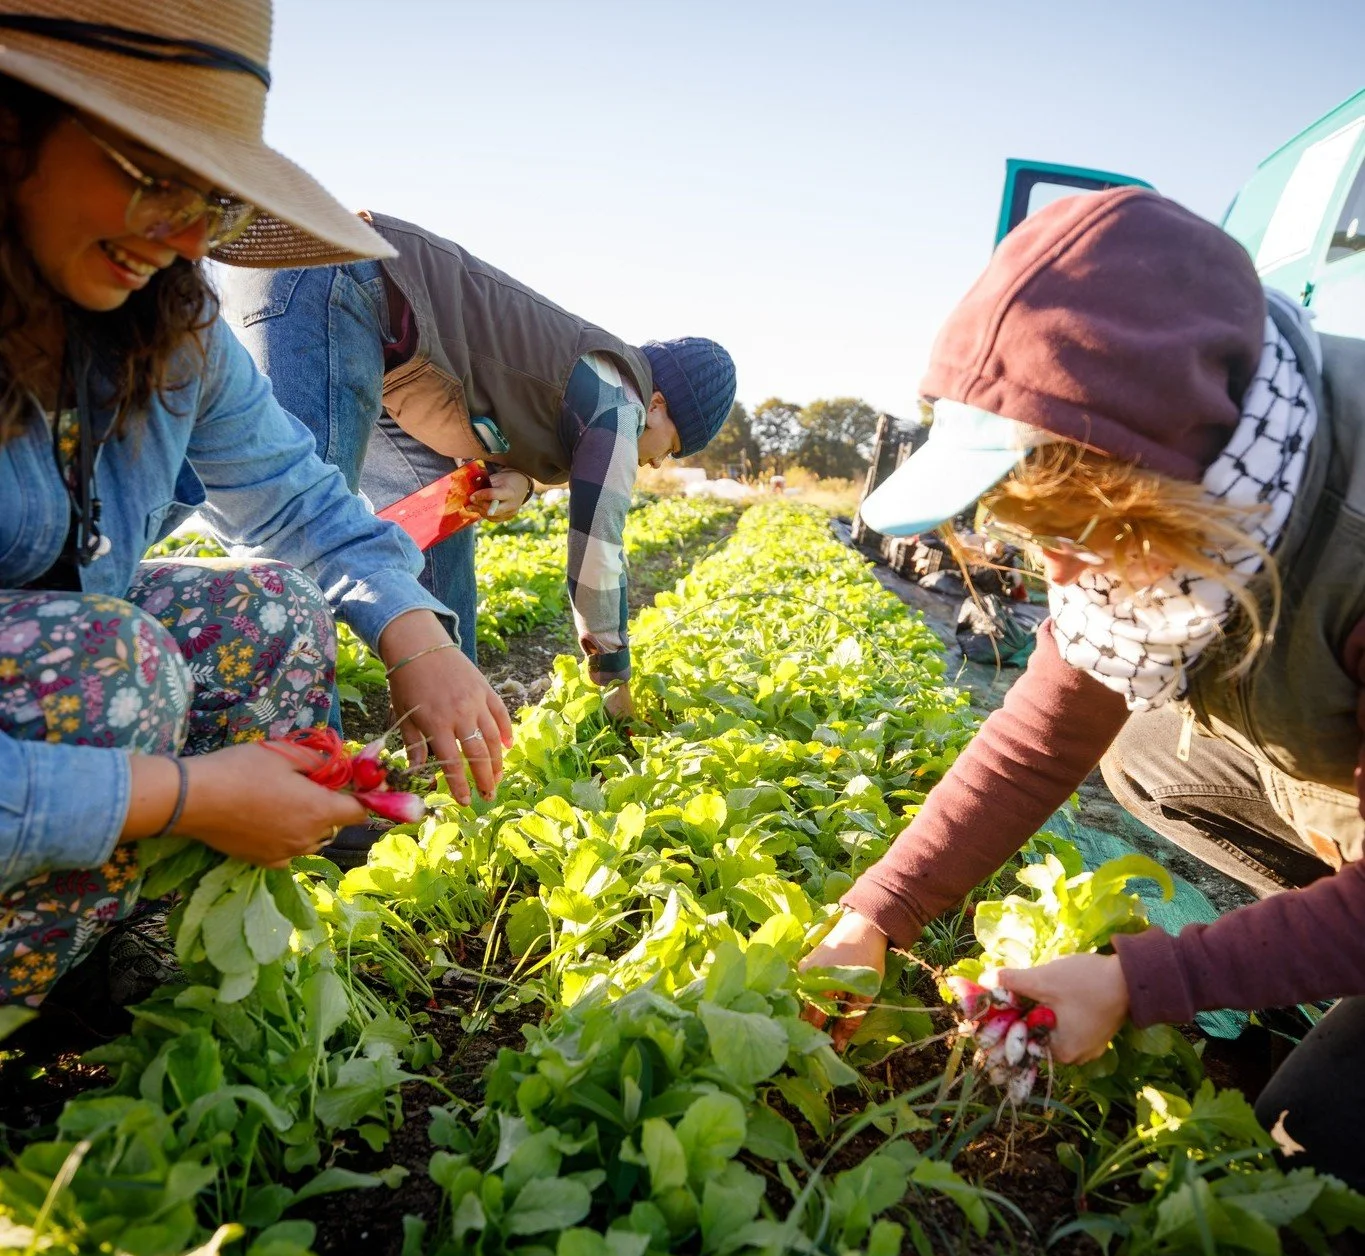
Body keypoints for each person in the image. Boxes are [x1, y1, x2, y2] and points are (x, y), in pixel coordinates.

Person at [802, 187, 1365, 1188]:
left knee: (1315, 1141)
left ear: (1163, 476)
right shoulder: (1218, 489)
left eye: (1081, 528)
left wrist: (1150, 983)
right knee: (1143, 753)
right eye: (1034, 533)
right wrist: (874, 914)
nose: (1058, 572)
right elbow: (1037, 738)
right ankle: (1325, 933)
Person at [0, 0, 512, 1006]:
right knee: (113, 668)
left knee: (272, 616)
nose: (188, 236)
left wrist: (419, 640)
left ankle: (114, 961)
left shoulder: (167, 327)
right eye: (153, 176)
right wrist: (186, 797)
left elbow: (300, 503)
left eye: (213, 200)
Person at [217, 217, 736, 719]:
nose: (655, 462)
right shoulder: (622, 402)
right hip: (334, 280)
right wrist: (613, 678)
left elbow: (499, 402)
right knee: (298, 539)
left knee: (441, 515)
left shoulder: (595, 382)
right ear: (659, 405)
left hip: (369, 334)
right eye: (671, 447)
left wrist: (521, 484)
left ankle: (453, 732)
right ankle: (310, 777)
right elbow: (599, 551)